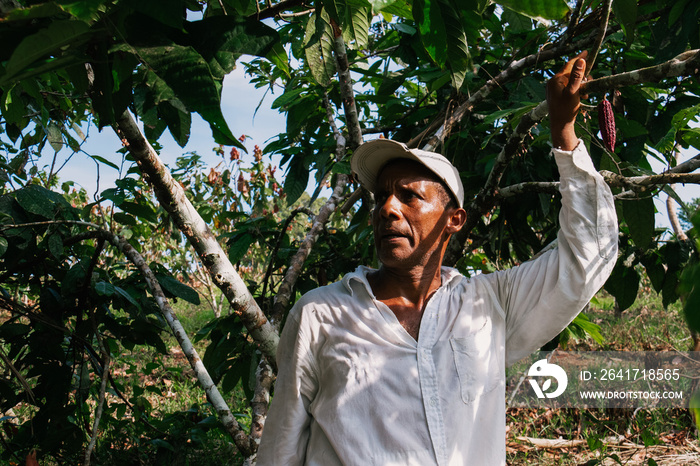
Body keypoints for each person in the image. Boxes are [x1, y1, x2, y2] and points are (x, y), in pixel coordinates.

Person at [257, 53, 617, 465]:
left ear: (454, 219)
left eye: (409, 196)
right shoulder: (320, 314)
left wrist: (564, 132)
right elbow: (281, 446)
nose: (388, 209)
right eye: (381, 199)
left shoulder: (490, 305)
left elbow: (591, 252)